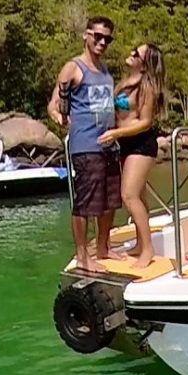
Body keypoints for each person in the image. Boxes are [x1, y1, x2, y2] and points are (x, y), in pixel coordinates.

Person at [47, 15, 121, 273]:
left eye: (107, 39)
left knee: (110, 200)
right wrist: (59, 117)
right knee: (86, 202)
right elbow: (54, 104)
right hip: (86, 145)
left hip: (109, 144)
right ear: (86, 35)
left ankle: (103, 247)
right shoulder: (73, 67)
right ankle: (82, 256)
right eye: (98, 37)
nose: (102, 43)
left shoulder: (105, 71)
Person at [96, 44, 167, 269]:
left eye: (137, 54)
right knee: (140, 197)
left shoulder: (147, 87)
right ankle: (140, 243)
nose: (131, 53)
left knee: (129, 195)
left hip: (141, 144)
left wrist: (115, 133)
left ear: (144, 65)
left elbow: (145, 122)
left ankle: (148, 250)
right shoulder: (126, 82)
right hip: (125, 143)